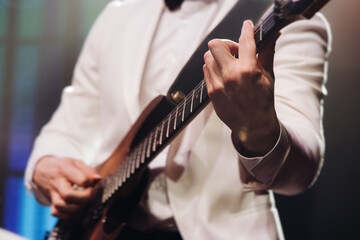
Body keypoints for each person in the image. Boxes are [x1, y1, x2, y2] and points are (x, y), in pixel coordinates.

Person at [25, 0, 331, 239]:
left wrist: (259, 126)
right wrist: (46, 166)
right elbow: (70, 127)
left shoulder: (284, 17)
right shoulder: (116, 16)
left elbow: (301, 173)